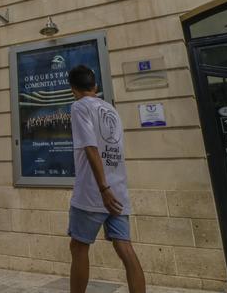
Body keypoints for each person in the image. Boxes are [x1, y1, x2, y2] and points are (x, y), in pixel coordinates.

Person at [66, 65, 145, 293]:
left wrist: (103, 188)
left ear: (73, 89)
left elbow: (90, 147)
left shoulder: (79, 106)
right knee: (125, 249)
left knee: (78, 248)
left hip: (94, 192)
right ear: (95, 86)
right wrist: (111, 188)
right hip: (118, 192)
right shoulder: (110, 109)